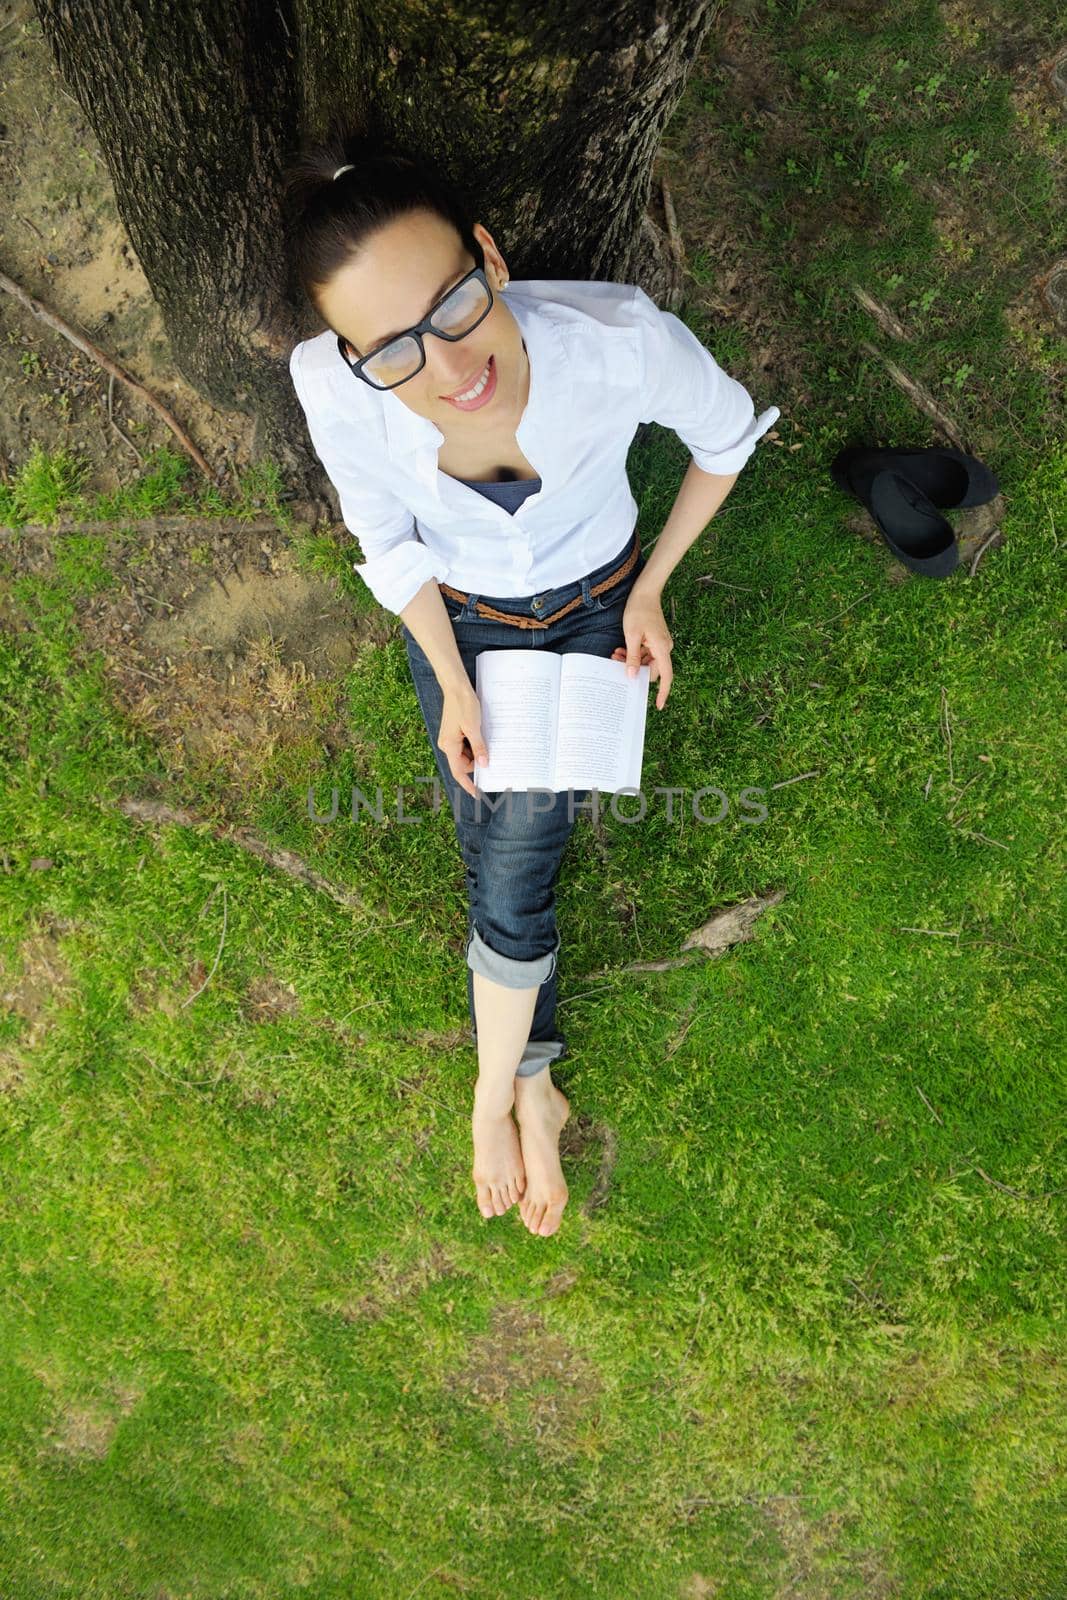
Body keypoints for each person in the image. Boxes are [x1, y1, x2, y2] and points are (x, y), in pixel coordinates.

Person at [282, 133, 780, 1238]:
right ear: (351, 352)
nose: (447, 367)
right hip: (454, 620)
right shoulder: (332, 386)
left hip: (597, 603)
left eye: (453, 304)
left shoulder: (617, 343)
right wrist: (452, 685)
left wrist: (649, 592)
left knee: (511, 858)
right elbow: (388, 542)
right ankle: (531, 1080)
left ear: (490, 259)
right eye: (392, 348)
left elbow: (726, 439)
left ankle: (496, 1096)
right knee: (487, 836)